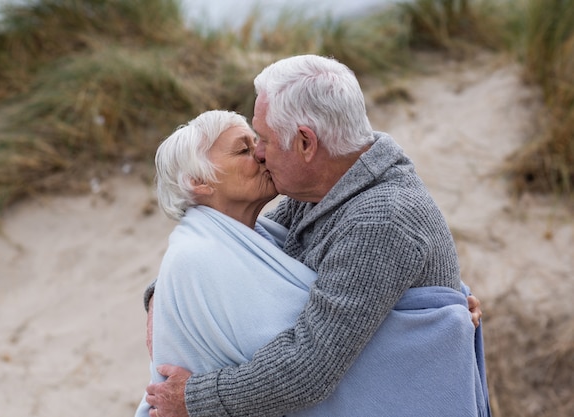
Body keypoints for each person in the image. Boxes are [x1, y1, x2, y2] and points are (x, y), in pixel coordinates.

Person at [144, 55, 490, 417]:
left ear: (306, 143)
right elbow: (241, 246)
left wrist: (194, 400)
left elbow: (308, 369)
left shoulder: (381, 219)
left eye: (263, 140)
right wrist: (165, 295)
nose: (260, 154)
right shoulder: (320, 193)